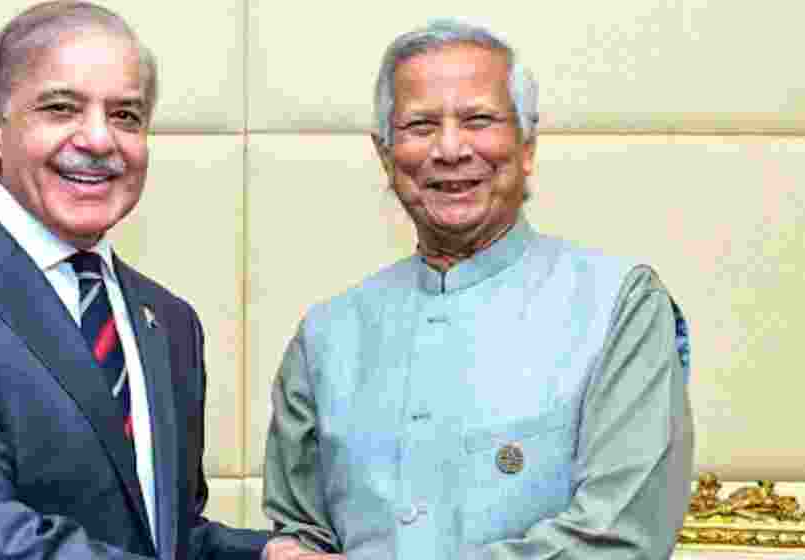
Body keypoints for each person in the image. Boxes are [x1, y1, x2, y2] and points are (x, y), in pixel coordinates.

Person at [0, 2, 269, 558]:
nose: (99, 140)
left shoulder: (171, 323)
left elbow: (164, 537)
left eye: (126, 116)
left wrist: (264, 555)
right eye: (62, 108)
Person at [261, 19, 694, 559]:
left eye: (479, 120)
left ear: (527, 145)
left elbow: (620, 539)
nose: (450, 148)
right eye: (420, 126)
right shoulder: (326, 334)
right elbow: (300, 533)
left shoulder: (620, 304)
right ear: (384, 155)